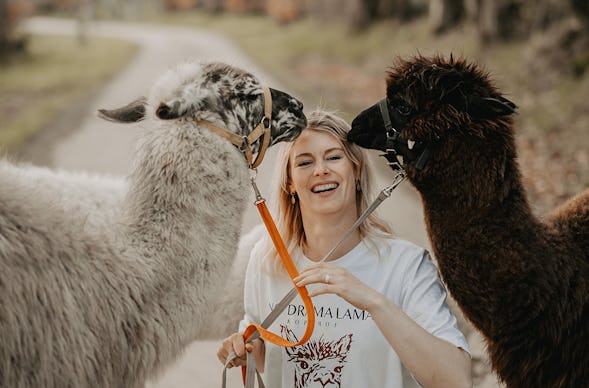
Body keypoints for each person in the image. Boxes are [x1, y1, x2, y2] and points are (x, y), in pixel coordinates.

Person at [217, 110, 472, 387]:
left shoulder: (407, 265)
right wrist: (244, 350)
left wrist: (373, 301)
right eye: (304, 162)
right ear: (290, 182)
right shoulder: (267, 260)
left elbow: (455, 379)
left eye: (334, 157)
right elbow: (270, 356)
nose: (321, 170)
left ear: (356, 170)